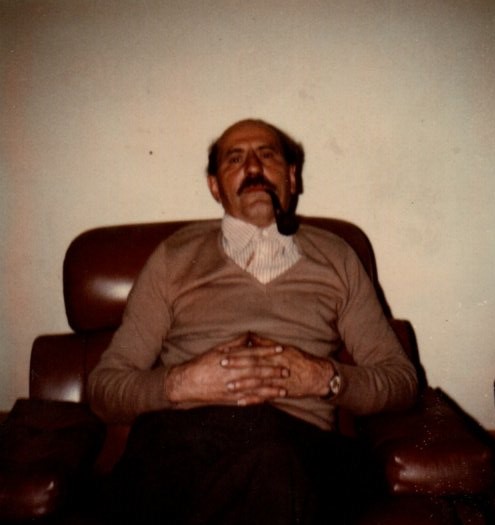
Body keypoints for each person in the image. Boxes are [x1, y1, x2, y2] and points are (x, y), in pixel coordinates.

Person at [88, 119, 418, 525]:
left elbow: (401, 381)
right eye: (235, 159)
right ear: (215, 187)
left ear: (292, 177)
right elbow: (104, 390)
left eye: (267, 155)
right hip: (188, 443)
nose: (253, 167)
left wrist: (324, 378)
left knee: (274, 462)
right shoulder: (173, 257)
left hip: (300, 448)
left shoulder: (337, 258)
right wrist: (178, 384)